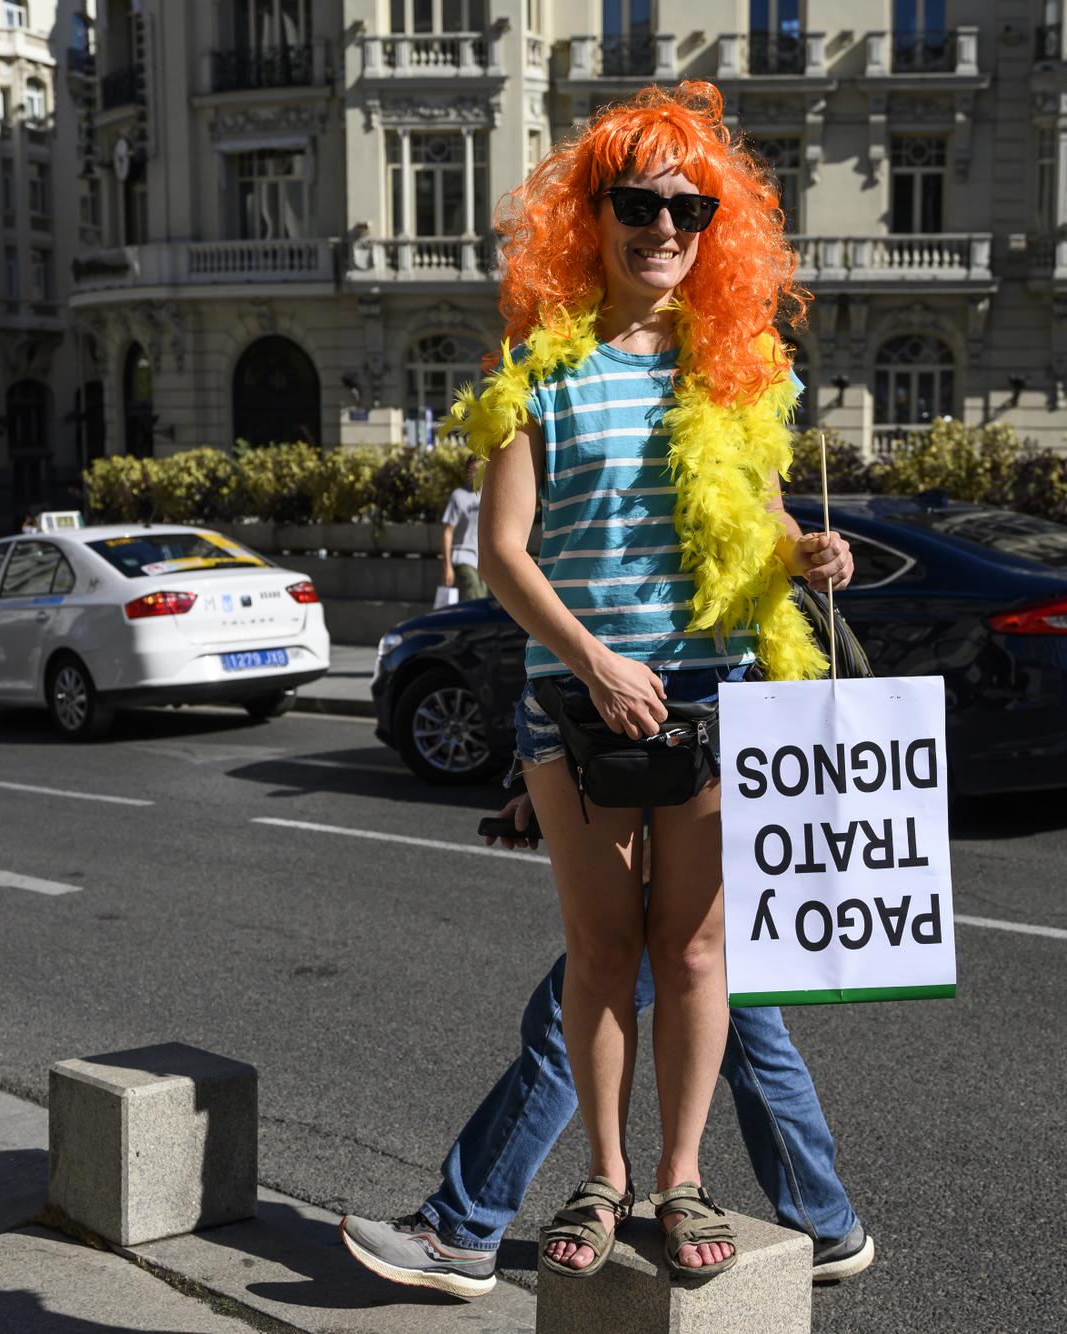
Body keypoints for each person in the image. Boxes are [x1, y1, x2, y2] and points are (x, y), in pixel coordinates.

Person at [359, 82, 853, 1284]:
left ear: (715, 225)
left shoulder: (736, 371)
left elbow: (761, 518)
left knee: (689, 954)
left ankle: (679, 1182)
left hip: (711, 690)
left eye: (691, 205)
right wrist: (593, 659)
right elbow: (501, 554)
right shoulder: (532, 370)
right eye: (638, 203)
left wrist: (808, 552)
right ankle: (605, 1173)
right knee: (597, 950)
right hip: (576, 702)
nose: (665, 227)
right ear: (592, 216)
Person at [341, 792, 875, 1297]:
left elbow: (669, 700)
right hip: (711, 785)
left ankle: (462, 1227)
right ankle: (823, 1222)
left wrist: (640, 827)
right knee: (736, 1018)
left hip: (689, 786)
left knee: (574, 1014)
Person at [440, 461, 487, 602]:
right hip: (462, 556)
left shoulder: (489, 494)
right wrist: (447, 565)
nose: (478, 475)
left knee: (482, 598)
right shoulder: (458, 496)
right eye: (474, 471)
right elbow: (447, 532)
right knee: (474, 595)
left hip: (482, 560)